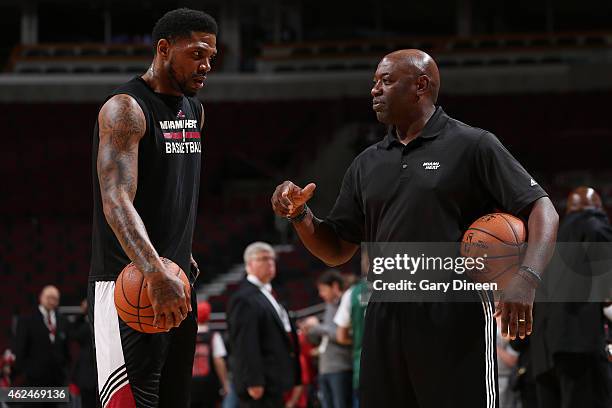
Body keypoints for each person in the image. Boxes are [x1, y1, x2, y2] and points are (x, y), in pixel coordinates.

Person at [271, 49, 559, 407]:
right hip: (384, 313)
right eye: (374, 82)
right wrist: (301, 216)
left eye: (386, 81)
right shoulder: (366, 162)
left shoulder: (473, 145)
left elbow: (542, 209)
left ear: (420, 86)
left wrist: (527, 277)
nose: (374, 90)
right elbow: (337, 249)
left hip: (454, 311)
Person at [89, 8, 217, 407]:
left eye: (211, 57)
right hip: (130, 282)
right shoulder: (125, 109)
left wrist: (179, 253)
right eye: (197, 54)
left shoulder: (194, 110)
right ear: (164, 49)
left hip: (174, 283)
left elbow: (168, 190)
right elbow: (116, 199)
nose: (206, 66)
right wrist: (154, 268)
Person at [531, 187, 612, 408]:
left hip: (542, 354)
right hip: (578, 344)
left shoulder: (547, 238)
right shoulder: (593, 223)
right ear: (597, 206)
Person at [227, 242, 301, 407]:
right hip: (260, 384)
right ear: (249, 265)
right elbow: (245, 343)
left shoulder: (269, 293)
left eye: (272, 259)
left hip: (275, 380)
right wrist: (254, 380)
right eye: (264, 259)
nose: (270, 263)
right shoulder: (244, 298)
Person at [301, 270, 352, 408]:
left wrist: (317, 326)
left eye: (323, 289)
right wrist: (309, 330)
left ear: (335, 286)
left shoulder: (347, 303)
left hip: (341, 368)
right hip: (325, 369)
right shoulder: (330, 306)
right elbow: (325, 335)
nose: (321, 294)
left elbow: (343, 336)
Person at [13, 285, 70, 407]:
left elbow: (66, 350)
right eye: (49, 297)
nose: (51, 300)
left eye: (55, 298)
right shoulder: (26, 320)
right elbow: (19, 349)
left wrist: (65, 373)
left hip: (57, 382)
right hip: (33, 382)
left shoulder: (63, 321)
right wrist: (27, 372)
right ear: (41, 298)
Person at [334, 251, 369, 408]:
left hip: (363, 366)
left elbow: (341, 336)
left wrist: (358, 341)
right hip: (396, 365)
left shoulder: (352, 293)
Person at [191, 301, 229, 408]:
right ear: (208, 316)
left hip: (190, 385)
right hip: (209, 385)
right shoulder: (213, 336)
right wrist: (225, 384)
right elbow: (219, 361)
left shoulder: (188, 337)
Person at [70, 299, 97, 408]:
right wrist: (83, 313)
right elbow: (73, 334)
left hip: (100, 372)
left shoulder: (100, 321)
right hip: (87, 375)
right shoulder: (84, 324)